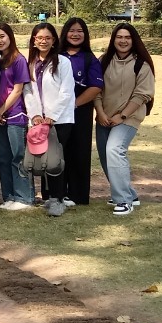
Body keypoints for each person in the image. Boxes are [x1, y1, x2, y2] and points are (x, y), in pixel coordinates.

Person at [95, 23, 156, 216]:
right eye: (119, 37)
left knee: (114, 149)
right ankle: (130, 193)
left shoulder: (141, 65)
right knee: (106, 156)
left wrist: (122, 116)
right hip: (105, 117)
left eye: (127, 37)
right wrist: (101, 114)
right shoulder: (103, 61)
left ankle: (123, 200)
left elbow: (142, 95)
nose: (123, 41)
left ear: (134, 40)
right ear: (113, 40)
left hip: (128, 118)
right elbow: (95, 90)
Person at [23, 22, 77, 217]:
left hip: (60, 120)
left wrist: (51, 116)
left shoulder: (63, 62)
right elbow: (28, 91)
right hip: (38, 120)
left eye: (47, 38)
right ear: (34, 41)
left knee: (55, 160)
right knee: (41, 159)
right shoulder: (30, 63)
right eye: (39, 38)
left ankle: (57, 199)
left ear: (54, 41)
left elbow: (66, 92)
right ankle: (49, 197)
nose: (43, 41)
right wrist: (36, 115)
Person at [0, 23, 34, 211]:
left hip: (15, 115)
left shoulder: (18, 60)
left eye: (3, 36)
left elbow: (17, 90)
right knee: (2, 158)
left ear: (10, 37)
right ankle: (8, 196)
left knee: (18, 157)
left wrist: (0, 111)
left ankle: (24, 197)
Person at [61, 17, 105, 206]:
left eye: (80, 31)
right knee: (57, 152)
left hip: (79, 110)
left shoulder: (89, 58)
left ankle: (77, 195)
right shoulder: (57, 54)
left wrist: (74, 104)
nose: (75, 34)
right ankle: (56, 193)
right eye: (72, 30)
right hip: (56, 112)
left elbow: (96, 86)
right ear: (65, 33)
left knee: (78, 152)